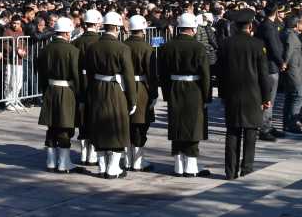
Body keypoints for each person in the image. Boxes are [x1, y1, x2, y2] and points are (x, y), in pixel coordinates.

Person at [218, 8, 270, 180]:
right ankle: (246, 168)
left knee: (232, 132)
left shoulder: (225, 44)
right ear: (250, 26)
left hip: (232, 94)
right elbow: (263, 74)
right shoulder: (257, 44)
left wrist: (223, 94)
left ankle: (230, 171)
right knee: (250, 131)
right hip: (252, 94)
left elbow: (220, 72)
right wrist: (266, 97)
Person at [84, 11, 136, 180]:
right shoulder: (122, 48)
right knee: (116, 126)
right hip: (115, 90)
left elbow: (89, 73)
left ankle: (102, 166)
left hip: (97, 88)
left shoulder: (93, 47)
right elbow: (128, 76)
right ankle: (113, 168)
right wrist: (132, 99)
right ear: (115, 27)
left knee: (99, 126)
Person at [159, 12, 211, 177]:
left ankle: (178, 165)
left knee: (177, 124)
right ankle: (191, 166)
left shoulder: (167, 46)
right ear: (193, 29)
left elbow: (163, 74)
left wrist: (167, 94)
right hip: (193, 89)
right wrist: (206, 96)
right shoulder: (198, 47)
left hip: (174, 87)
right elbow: (205, 74)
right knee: (193, 125)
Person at [37, 16, 82, 173]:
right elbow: (76, 76)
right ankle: (63, 163)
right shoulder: (73, 51)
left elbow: (41, 75)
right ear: (67, 33)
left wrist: (45, 91)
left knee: (52, 126)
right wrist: (79, 94)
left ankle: (50, 161)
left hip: (50, 89)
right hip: (66, 91)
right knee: (65, 127)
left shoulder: (45, 50)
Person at [123, 14, 159, 171]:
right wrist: (154, 94)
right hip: (142, 89)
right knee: (141, 125)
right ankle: (137, 160)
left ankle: (127, 158)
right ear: (143, 30)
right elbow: (152, 74)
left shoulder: (123, 45)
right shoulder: (147, 48)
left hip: (125, 87)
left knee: (128, 125)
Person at [71, 8, 102, 167]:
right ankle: (93, 155)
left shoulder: (77, 41)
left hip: (79, 82)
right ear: (97, 24)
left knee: (82, 119)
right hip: (95, 82)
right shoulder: (100, 42)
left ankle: (84, 153)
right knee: (94, 118)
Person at [254, 3, 285, 141]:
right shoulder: (268, 27)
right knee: (268, 99)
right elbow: (274, 46)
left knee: (270, 99)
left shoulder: (267, 25)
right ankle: (264, 128)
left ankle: (268, 125)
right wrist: (281, 62)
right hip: (270, 66)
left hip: (270, 65)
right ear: (276, 12)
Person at [282, 14, 302, 134]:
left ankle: (287, 123)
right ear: (296, 25)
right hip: (293, 69)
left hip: (294, 68)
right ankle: (293, 123)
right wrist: (284, 63)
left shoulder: (288, 33)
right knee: (298, 95)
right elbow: (289, 50)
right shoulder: (290, 35)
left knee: (290, 97)